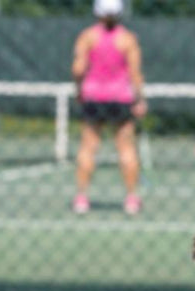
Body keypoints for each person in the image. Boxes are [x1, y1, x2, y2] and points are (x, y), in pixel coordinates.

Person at [71, 0, 148, 215]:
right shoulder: (128, 39)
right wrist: (140, 99)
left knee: (88, 147)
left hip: (93, 96)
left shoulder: (87, 37)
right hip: (120, 98)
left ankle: (81, 198)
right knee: (126, 147)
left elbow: (78, 69)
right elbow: (135, 73)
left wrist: (79, 89)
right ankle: (131, 199)